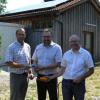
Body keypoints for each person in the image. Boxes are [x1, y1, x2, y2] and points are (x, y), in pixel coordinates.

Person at [57, 34, 94, 100]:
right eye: (71, 41)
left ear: (79, 42)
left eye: (75, 41)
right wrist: (51, 77)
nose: (73, 43)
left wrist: (81, 77)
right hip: (66, 83)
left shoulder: (86, 54)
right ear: (69, 43)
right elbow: (62, 70)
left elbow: (91, 70)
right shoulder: (66, 54)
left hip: (79, 83)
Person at [32, 28, 62, 100]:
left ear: (51, 37)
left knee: (53, 97)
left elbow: (59, 63)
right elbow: (33, 60)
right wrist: (34, 67)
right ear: (42, 37)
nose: (46, 38)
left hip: (52, 77)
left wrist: (43, 67)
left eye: (48, 36)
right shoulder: (38, 47)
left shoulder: (57, 48)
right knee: (41, 97)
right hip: (40, 77)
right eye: (44, 36)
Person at [5, 28, 32, 100]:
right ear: (16, 35)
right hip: (15, 77)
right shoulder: (11, 47)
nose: (21, 36)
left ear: (25, 35)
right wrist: (23, 66)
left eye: (23, 34)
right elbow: (8, 63)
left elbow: (28, 61)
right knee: (15, 97)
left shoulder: (28, 46)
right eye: (19, 34)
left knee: (22, 96)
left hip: (25, 76)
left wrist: (30, 73)